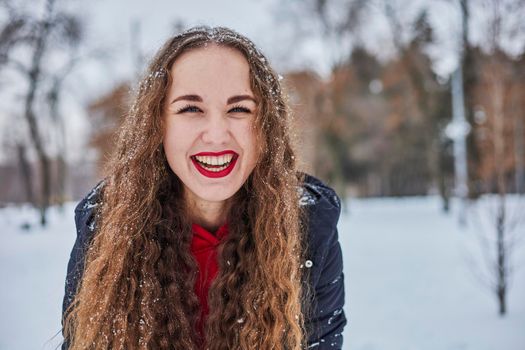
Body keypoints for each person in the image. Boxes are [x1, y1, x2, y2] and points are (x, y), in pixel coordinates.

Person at [61, 26, 346, 350]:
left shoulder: (308, 226)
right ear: (158, 124)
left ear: (266, 127)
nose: (216, 134)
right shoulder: (104, 225)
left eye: (239, 109)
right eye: (191, 109)